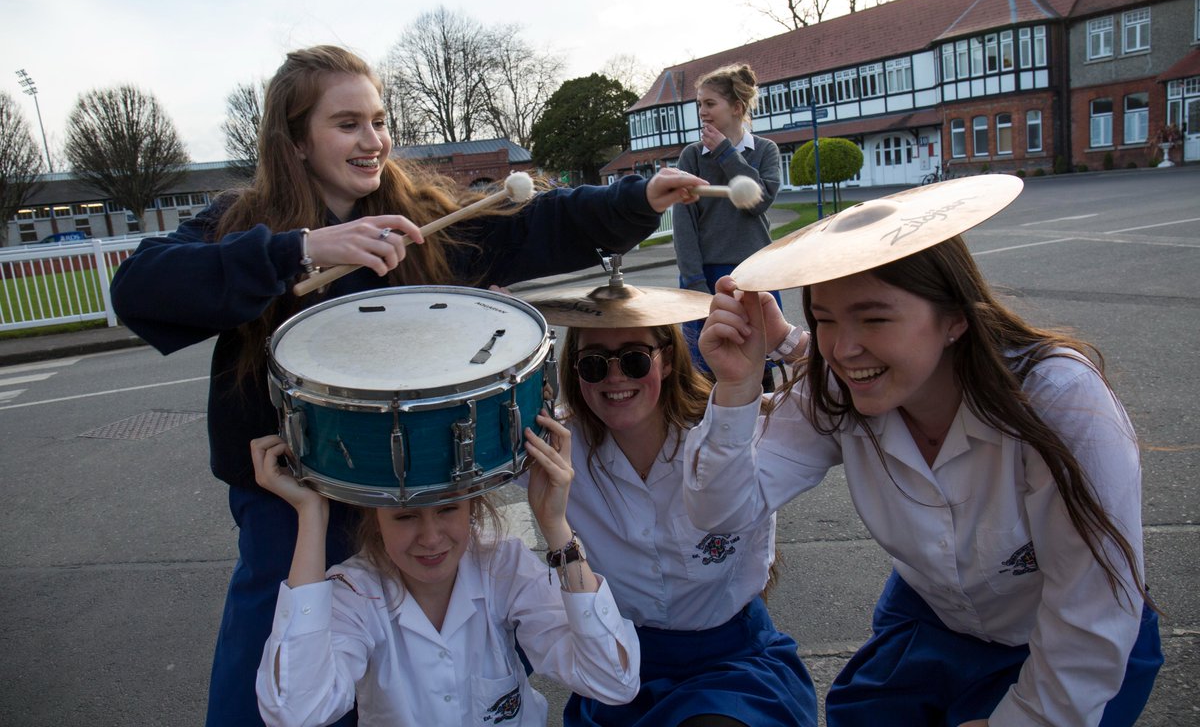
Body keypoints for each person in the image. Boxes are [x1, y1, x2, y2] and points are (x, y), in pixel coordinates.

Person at [107, 44, 707, 727]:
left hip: (423, 490)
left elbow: (530, 224)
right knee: (275, 687)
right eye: (348, 124)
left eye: (379, 120)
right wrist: (300, 249)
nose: (374, 140)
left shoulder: (418, 216)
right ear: (296, 140)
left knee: (420, 682)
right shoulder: (242, 223)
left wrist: (635, 198)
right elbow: (140, 288)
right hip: (297, 501)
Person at [685, 236, 1163, 726]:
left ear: (955, 317)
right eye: (825, 319)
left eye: (874, 319)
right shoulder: (838, 389)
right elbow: (720, 513)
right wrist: (738, 387)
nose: (844, 349)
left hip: (1070, 642)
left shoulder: (1057, 400)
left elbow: (1094, 605)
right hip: (937, 622)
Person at [529, 293, 817, 726]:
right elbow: (443, 462)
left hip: (732, 668)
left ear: (666, 360)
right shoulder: (556, 445)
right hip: (621, 667)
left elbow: (840, 401)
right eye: (592, 363)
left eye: (634, 359)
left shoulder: (733, 427)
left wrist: (785, 339)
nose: (613, 377)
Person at [250, 412, 639, 727]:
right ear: (375, 519)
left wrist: (555, 525)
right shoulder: (355, 592)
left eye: (449, 508)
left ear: (474, 506)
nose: (431, 538)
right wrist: (312, 515)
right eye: (405, 517)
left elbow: (613, 679)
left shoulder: (500, 566)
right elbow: (294, 712)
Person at [671, 63, 782, 387]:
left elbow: (757, 201)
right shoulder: (691, 156)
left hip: (753, 271)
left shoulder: (764, 151)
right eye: (699, 105)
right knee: (704, 369)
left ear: (736, 108)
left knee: (756, 361)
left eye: (709, 103)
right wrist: (693, 282)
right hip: (704, 273)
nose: (702, 112)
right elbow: (684, 224)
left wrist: (724, 152)